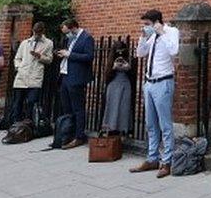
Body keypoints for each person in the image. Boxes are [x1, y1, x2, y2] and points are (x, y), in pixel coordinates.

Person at [130, 10, 179, 178]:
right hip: (149, 83)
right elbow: (140, 53)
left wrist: (161, 32)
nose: (145, 27)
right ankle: (152, 158)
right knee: (150, 123)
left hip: (163, 82)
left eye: (147, 24)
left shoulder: (171, 32)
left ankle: (167, 161)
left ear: (157, 22)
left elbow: (174, 50)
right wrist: (143, 36)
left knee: (165, 124)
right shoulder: (151, 36)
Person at [56, 18, 94, 149]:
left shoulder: (87, 38)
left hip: (77, 77)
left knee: (78, 108)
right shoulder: (71, 39)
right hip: (65, 75)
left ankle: (79, 136)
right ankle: (67, 134)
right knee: (67, 107)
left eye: (67, 31)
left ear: (72, 28)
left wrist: (69, 54)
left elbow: (89, 56)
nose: (66, 35)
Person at [10, 22, 53, 123]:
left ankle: (28, 123)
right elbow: (17, 58)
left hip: (35, 75)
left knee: (32, 101)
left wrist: (40, 56)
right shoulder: (25, 43)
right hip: (21, 75)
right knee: (18, 102)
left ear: (42, 32)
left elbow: (50, 59)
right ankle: (16, 124)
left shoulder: (48, 43)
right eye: (35, 32)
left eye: (38, 33)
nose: (36, 35)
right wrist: (18, 67)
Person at [101, 41, 135, 135]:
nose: (120, 54)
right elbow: (107, 76)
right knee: (112, 107)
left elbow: (133, 77)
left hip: (125, 84)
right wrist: (113, 68)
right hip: (113, 84)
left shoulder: (129, 59)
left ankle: (123, 130)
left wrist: (128, 68)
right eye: (118, 51)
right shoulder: (111, 59)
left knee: (124, 107)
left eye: (122, 51)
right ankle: (111, 129)